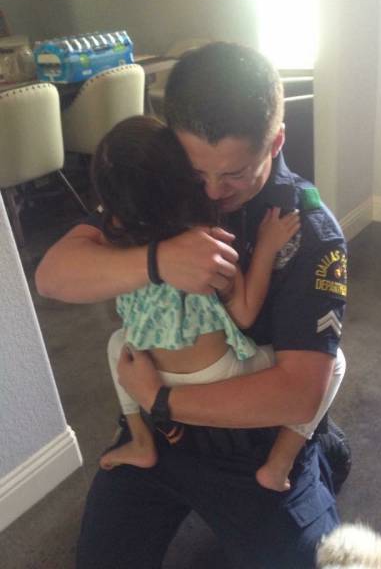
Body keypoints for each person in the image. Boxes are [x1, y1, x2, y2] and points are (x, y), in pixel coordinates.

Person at [36, 42, 349, 569]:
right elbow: (52, 276)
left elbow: (298, 394)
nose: (210, 191)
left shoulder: (309, 233)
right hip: (160, 438)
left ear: (275, 142)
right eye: (195, 172)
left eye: (234, 174)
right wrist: (157, 261)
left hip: (251, 439)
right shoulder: (160, 181)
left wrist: (159, 400)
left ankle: (320, 455)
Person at [92, 115, 345, 493]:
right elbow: (243, 311)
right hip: (216, 373)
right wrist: (266, 248)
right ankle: (279, 463)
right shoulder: (205, 241)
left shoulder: (115, 244)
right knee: (334, 365)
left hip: (145, 364)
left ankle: (141, 440)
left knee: (116, 344)